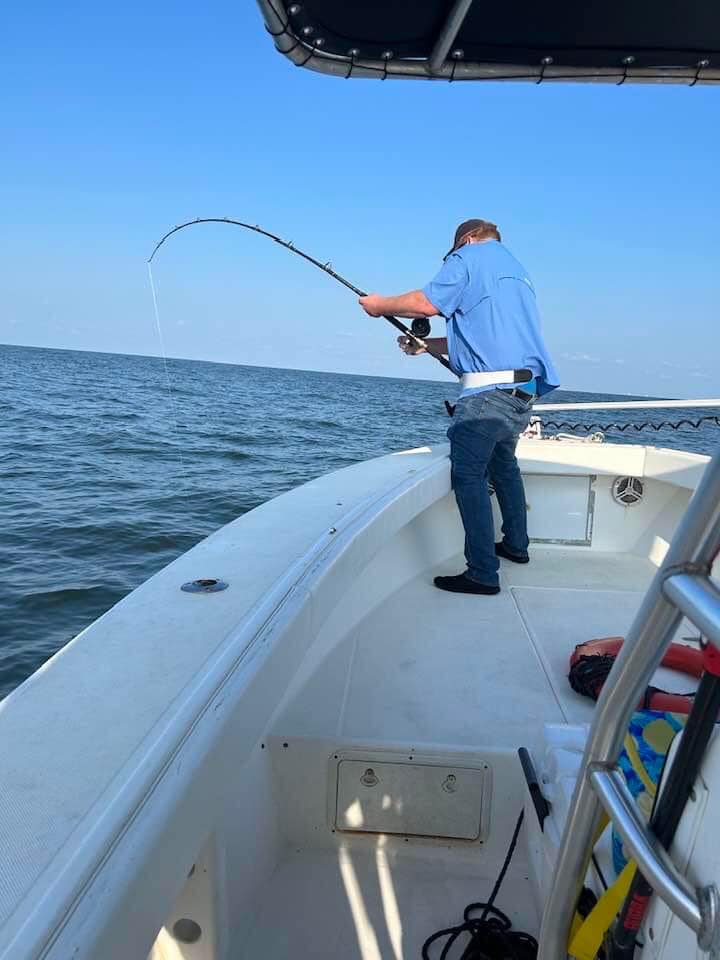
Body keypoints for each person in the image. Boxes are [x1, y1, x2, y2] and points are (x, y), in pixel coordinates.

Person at [359, 218, 559, 596]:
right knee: (504, 468)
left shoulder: (470, 257)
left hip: (486, 398)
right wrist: (427, 346)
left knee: (468, 476)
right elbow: (486, 338)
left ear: (466, 240)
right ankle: (516, 546)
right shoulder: (516, 274)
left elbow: (426, 303)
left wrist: (379, 305)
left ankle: (483, 573)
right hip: (520, 391)